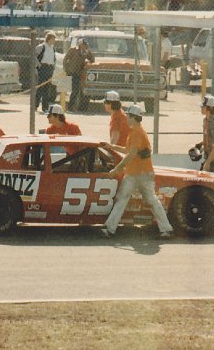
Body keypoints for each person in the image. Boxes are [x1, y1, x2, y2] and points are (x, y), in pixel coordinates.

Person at [101, 104, 174, 239]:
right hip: (138, 173)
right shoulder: (135, 131)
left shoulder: (136, 132)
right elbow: (128, 151)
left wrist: (117, 169)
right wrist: (112, 146)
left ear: (133, 117)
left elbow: (131, 154)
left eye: (128, 116)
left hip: (140, 174)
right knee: (139, 199)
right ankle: (166, 229)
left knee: (139, 199)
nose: (126, 118)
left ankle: (109, 228)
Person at [194, 94, 214, 174]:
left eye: (203, 106)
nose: (201, 108)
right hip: (209, 158)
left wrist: (207, 163)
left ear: (210, 108)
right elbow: (209, 138)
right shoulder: (205, 120)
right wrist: (200, 145)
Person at [63, 38, 95, 111]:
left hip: (77, 73)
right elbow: (65, 59)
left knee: (76, 90)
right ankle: (68, 106)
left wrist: (88, 52)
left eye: (86, 45)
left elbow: (92, 59)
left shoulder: (85, 52)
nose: (85, 46)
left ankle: (71, 106)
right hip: (70, 71)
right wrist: (65, 69)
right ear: (80, 44)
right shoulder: (73, 50)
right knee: (69, 89)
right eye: (84, 45)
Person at [35, 31, 57, 113]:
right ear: (49, 39)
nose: (54, 41)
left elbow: (54, 58)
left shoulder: (53, 48)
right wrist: (38, 66)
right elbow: (35, 56)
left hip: (50, 68)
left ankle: (45, 107)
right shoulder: (41, 47)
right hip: (43, 67)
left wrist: (53, 66)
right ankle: (35, 105)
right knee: (40, 87)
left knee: (47, 89)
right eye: (53, 39)